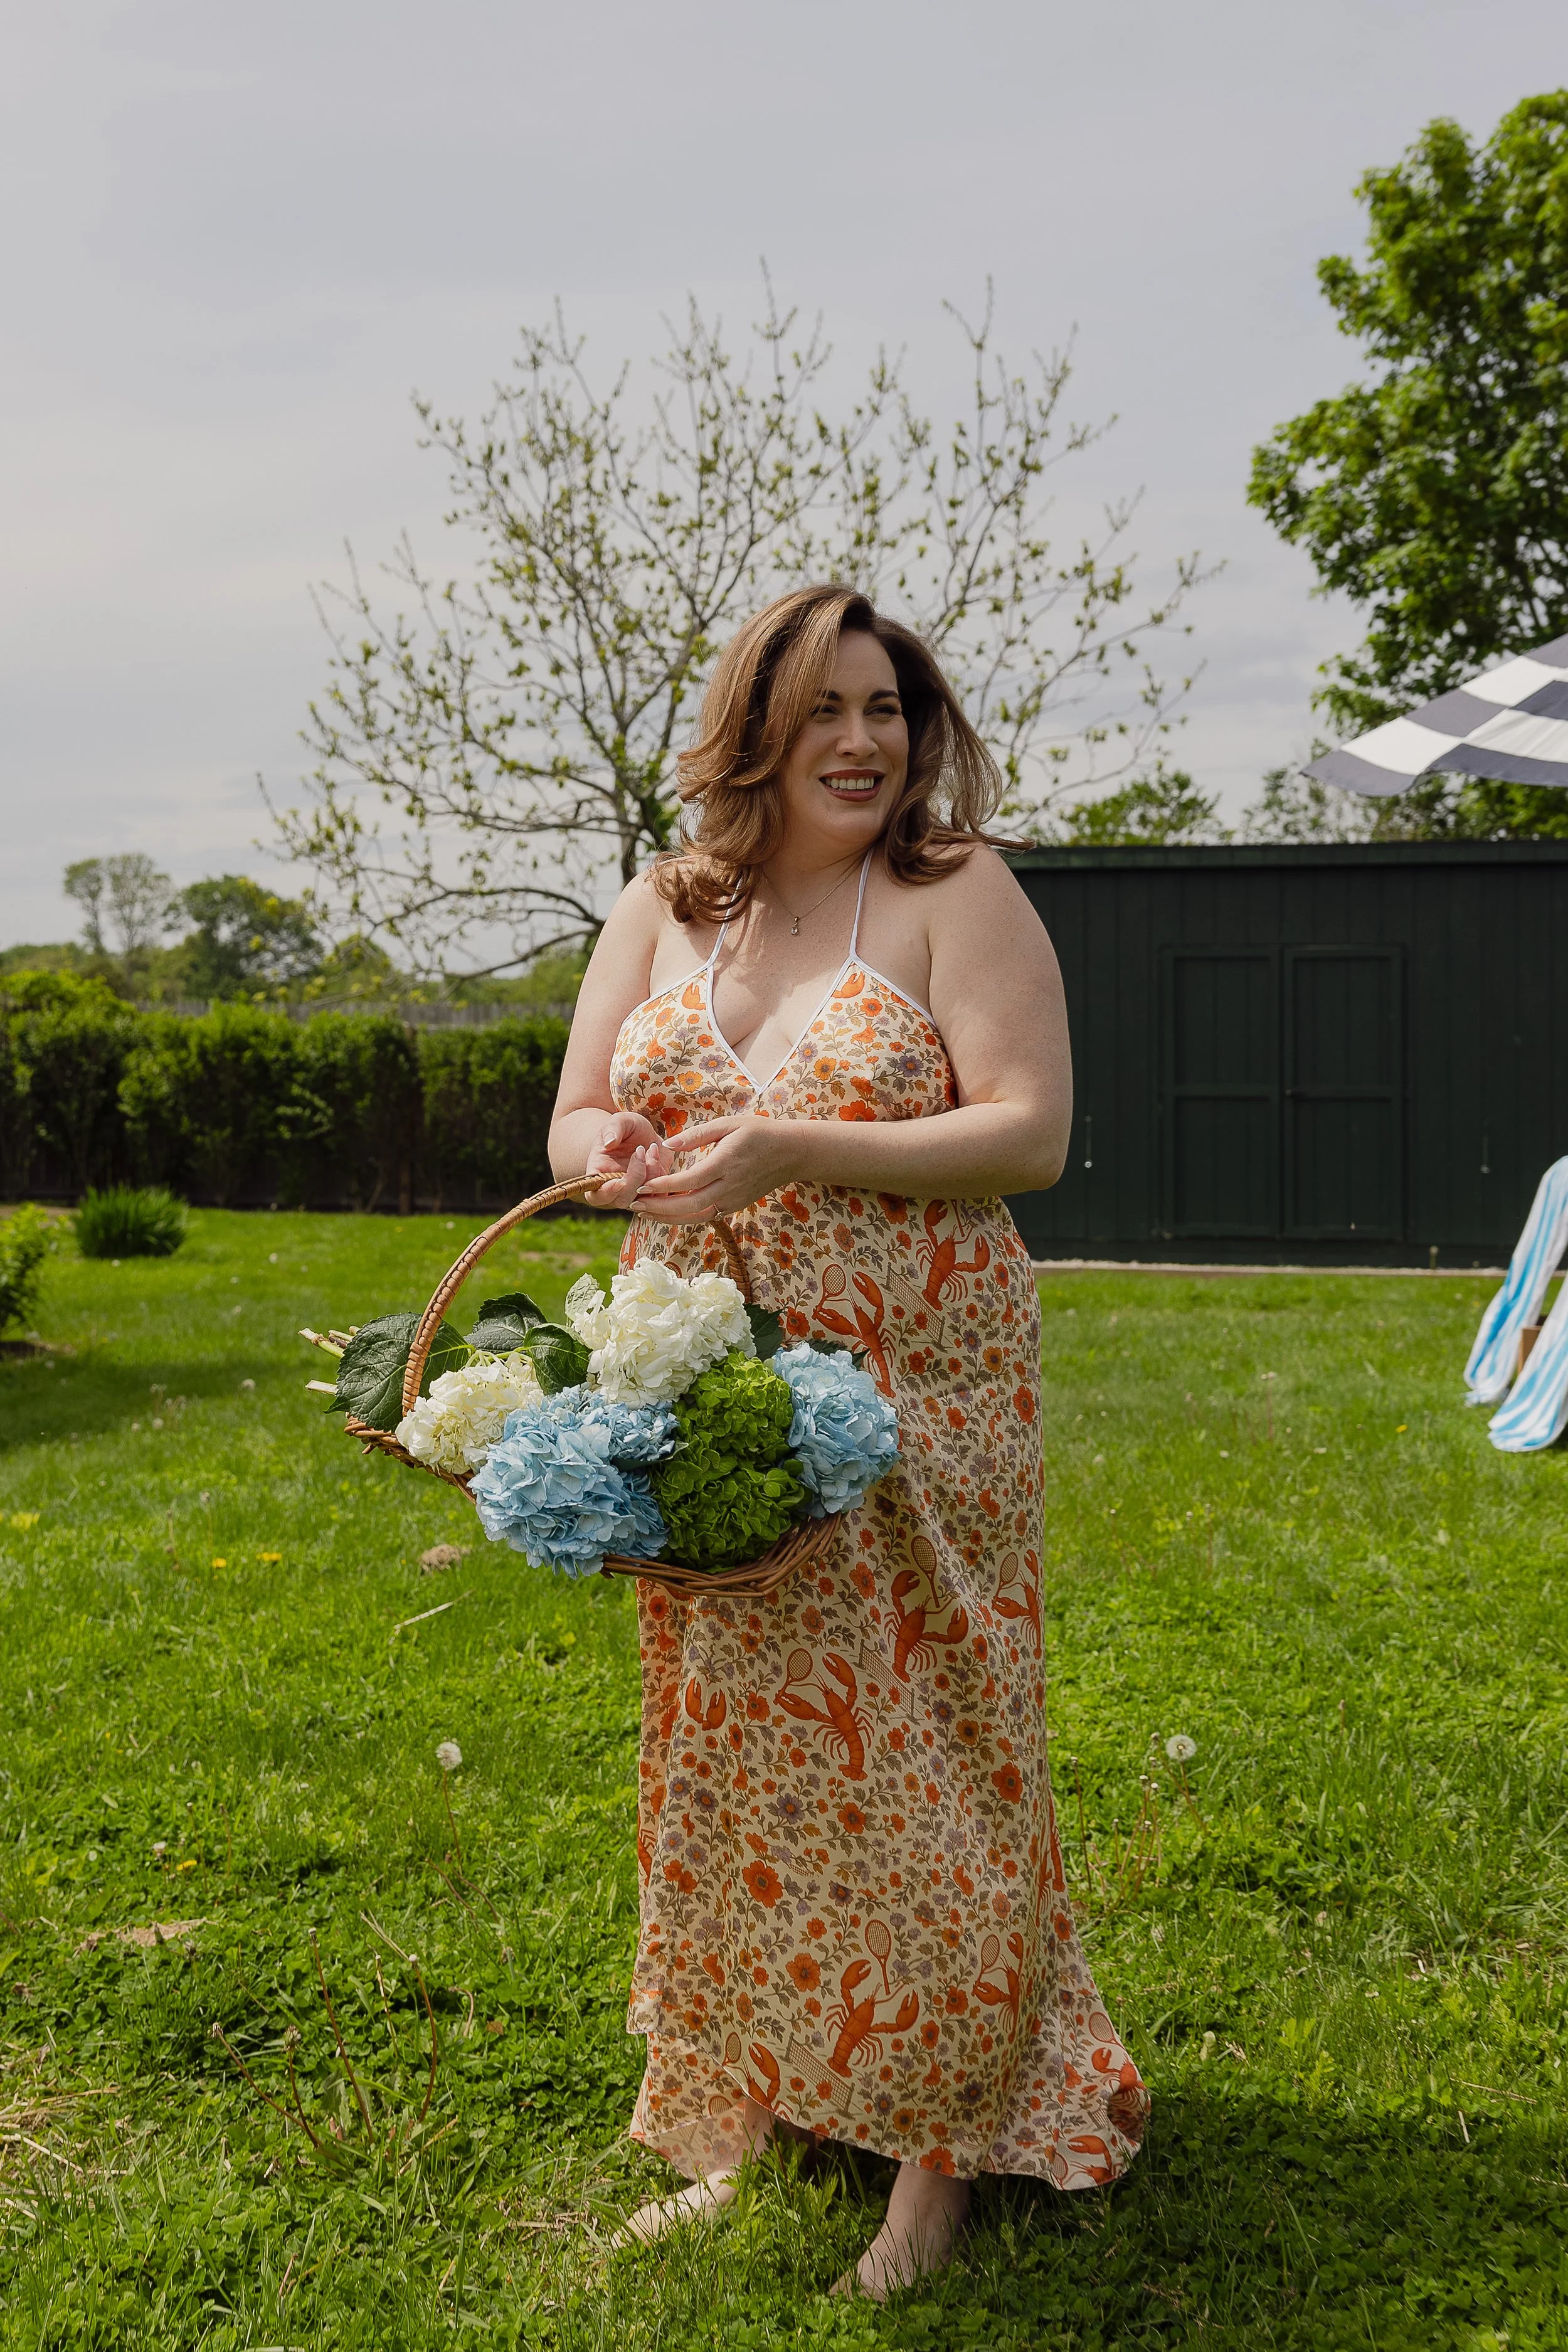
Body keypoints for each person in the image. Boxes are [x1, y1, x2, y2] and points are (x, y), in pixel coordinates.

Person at [550, 583, 1147, 2299]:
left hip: (920, 1379)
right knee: (733, 1750)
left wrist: (778, 1141)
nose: (866, 741)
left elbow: (1027, 1131)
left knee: (927, 1744)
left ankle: (938, 2147)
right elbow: (580, 1104)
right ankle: (748, 2111)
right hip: (713, 1374)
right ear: (755, 729)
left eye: (888, 708)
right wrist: (620, 1158)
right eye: (827, 710)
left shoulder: (955, 889)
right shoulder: (668, 904)